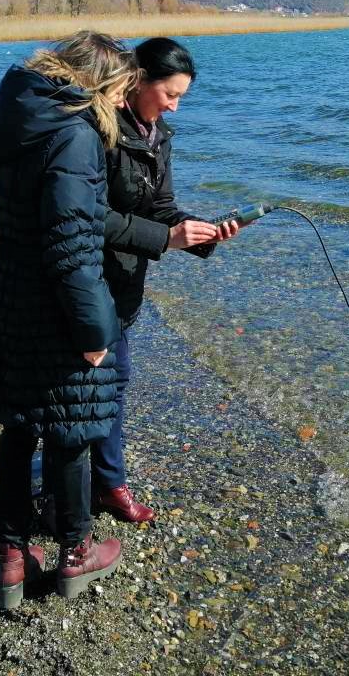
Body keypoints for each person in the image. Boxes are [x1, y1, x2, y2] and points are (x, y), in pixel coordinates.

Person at [0, 30, 138, 608]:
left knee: (19, 427)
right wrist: (95, 330)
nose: (124, 100)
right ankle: (75, 554)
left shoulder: (25, 121)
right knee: (70, 432)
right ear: (95, 81)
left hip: (12, 297)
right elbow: (72, 245)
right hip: (55, 306)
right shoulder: (73, 135)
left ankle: (13, 558)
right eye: (120, 88)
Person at [90, 37, 238, 524]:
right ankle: (106, 485)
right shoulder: (96, 130)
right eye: (169, 94)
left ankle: (97, 479)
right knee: (99, 384)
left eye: (181, 98)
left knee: (112, 381)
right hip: (89, 281)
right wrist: (166, 237)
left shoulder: (159, 135)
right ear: (136, 80)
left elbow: (162, 210)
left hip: (127, 281)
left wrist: (202, 233)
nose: (173, 106)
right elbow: (85, 217)